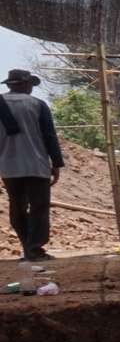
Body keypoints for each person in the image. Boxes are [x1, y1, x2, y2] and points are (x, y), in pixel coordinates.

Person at [0, 68, 62, 261]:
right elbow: (49, 136)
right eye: (31, 85)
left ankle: (28, 248)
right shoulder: (37, 104)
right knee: (39, 207)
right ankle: (34, 249)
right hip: (36, 164)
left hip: (8, 166)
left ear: (10, 85)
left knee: (17, 206)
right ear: (26, 85)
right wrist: (57, 163)